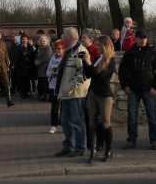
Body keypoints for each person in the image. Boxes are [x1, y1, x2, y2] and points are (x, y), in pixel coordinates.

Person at [118, 30, 156, 150]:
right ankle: (131, 140)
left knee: (152, 116)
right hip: (133, 90)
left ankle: (154, 140)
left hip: (148, 89)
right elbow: (122, 72)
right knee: (132, 116)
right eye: (141, 38)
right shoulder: (129, 53)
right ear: (136, 38)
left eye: (145, 38)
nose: (143, 40)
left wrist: (155, 87)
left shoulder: (152, 52)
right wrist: (125, 86)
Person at [54, 27, 90, 157]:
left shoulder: (81, 51)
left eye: (64, 35)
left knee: (77, 121)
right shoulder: (69, 51)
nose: (62, 37)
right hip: (67, 93)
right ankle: (69, 146)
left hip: (75, 93)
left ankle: (81, 147)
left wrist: (68, 88)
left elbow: (81, 74)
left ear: (69, 37)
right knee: (65, 121)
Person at [82, 35, 116, 163]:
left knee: (106, 122)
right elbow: (90, 74)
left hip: (104, 94)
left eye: (99, 45)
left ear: (104, 46)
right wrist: (86, 62)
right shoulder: (98, 57)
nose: (97, 47)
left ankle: (109, 150)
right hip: (93, 93)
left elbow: (100, 76)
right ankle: (93, 151)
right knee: (91, 122)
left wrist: (90, 63)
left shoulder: (111, 60)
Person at [46, 40, 65, 134]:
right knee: (54, 107)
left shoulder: (66, 60)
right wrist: (52, 73)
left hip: (63, 86)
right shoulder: (52, 59)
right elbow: (47, 72)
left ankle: (65, 125)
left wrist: (59, 74)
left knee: (64, 107)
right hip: (53, 86)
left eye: (59, 49)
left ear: (63, 50)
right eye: (56, 49)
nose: (57, 50)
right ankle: (53, 125)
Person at [14, 34, 34, 99]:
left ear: (27, 40)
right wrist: (15, 65)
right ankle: (22, 93)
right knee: (22, 81)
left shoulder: (30, 47)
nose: (24, 40)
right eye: (23, 39)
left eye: (25, 39)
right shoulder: (18, 47)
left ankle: (28, 92)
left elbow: (33, 55)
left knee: (28, 81)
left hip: (28, 67)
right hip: (21, 67)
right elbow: (16, 57)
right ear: (21, 40)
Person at [34, 35, 53, 102]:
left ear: (47, 42)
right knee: (41, 82)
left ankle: (46, 96)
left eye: (44, 41)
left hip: (45, 67)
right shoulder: (40, 48)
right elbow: (37, 56)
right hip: (40, 69)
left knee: (45, 82)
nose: (42, 42)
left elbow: (47, 57)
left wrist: (38, 62)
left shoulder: (48, 48)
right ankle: (42, 94)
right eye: (41, 41)